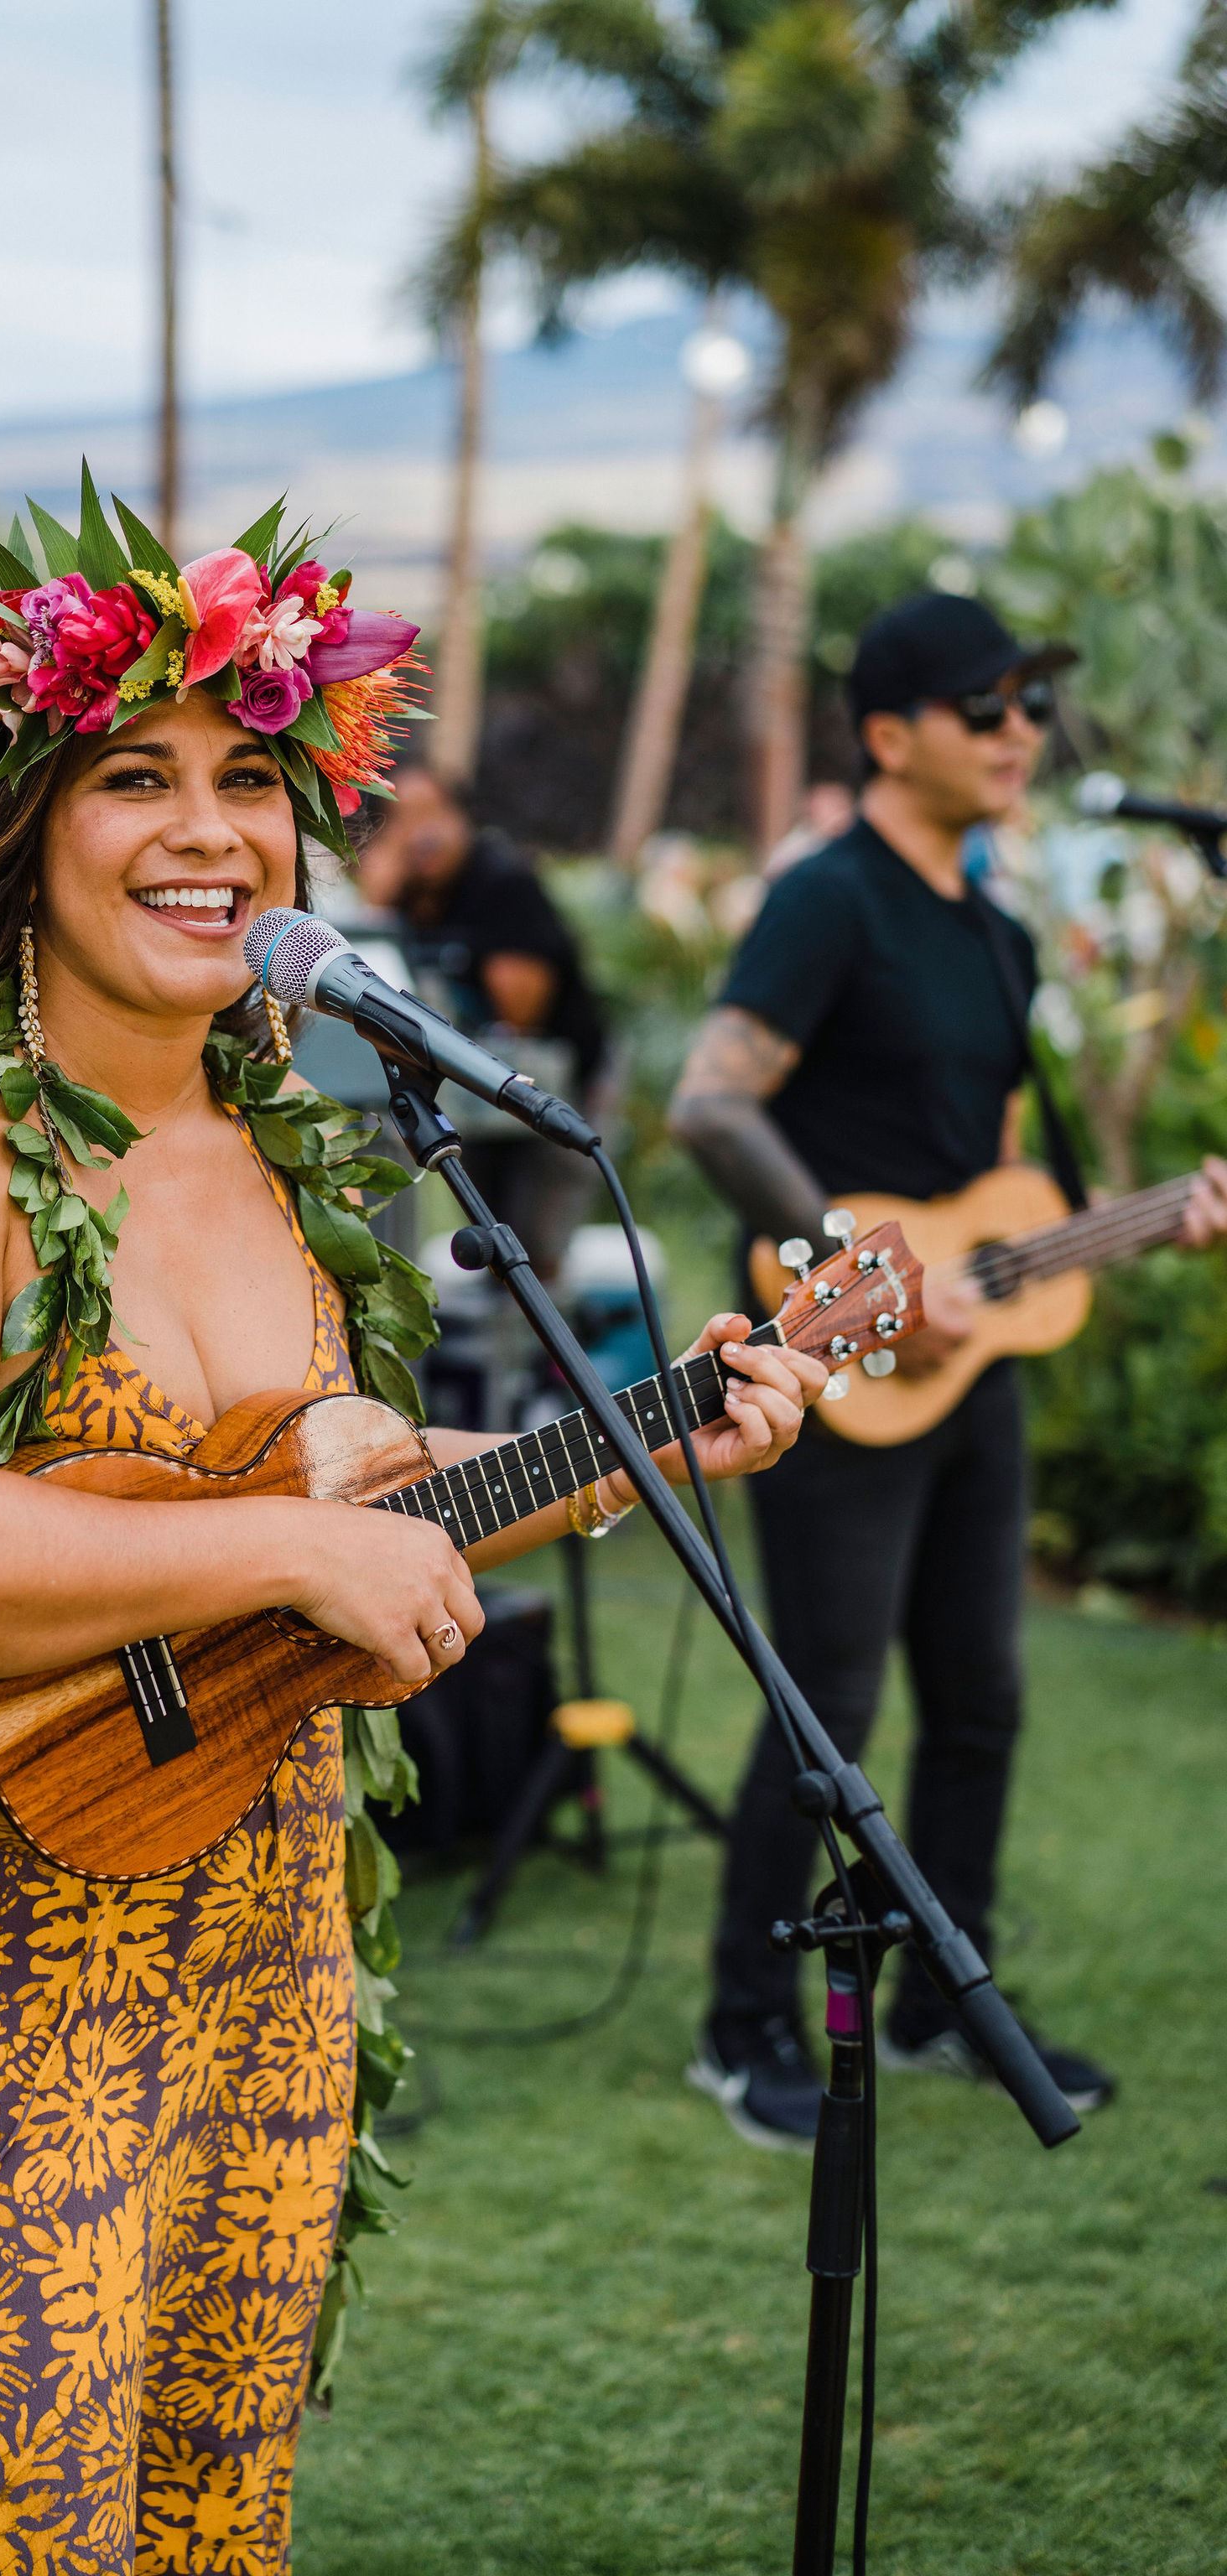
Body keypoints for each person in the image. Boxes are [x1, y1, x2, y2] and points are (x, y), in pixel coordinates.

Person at [0, 485, 822, 2574]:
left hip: (247, 1931)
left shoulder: (273, 1141)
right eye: (131, 772)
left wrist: (656, 1437)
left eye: (250, 776)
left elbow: (325, 1522)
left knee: (183, 2491)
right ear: (15, 821)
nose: (209, 826)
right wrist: (282, 1552)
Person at [670, 590, 1227, 2152]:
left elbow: (988, 1177)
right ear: (889, 733)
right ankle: (739, 2026)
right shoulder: (829, 898)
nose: (1017, 735)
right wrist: (860, 1269)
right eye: (986, 707)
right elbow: (713, 1108)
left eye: (1029, 708)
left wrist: (1135, 1222)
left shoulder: (988, 931)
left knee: (979, 1693)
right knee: (827, 1703)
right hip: (829, 1361)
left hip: (963, 1365)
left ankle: (935, 2001)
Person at [356, 763, 610, 1278]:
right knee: (491, 1225)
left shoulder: (502, 883)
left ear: (462, 817)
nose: (422, 833)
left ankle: (551, 1353)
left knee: (538, 1235)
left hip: (559, 1071)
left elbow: (520, 1015)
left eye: (433, 814)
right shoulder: (408, 895)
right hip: (473, 1080)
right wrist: (382, 894)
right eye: (403, 820)